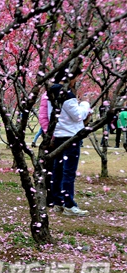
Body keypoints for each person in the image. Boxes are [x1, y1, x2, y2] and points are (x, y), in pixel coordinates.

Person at [48, 64, 91, 216]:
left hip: (59, 135)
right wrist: (85, 103)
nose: (75, 82)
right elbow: (78, 116)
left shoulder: (51, 92)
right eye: (75, 78)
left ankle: (58, 202)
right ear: (70, 77)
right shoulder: (66, 94)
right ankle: (69, 204)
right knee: (68, 172)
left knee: (58, 170)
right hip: (70, 136)